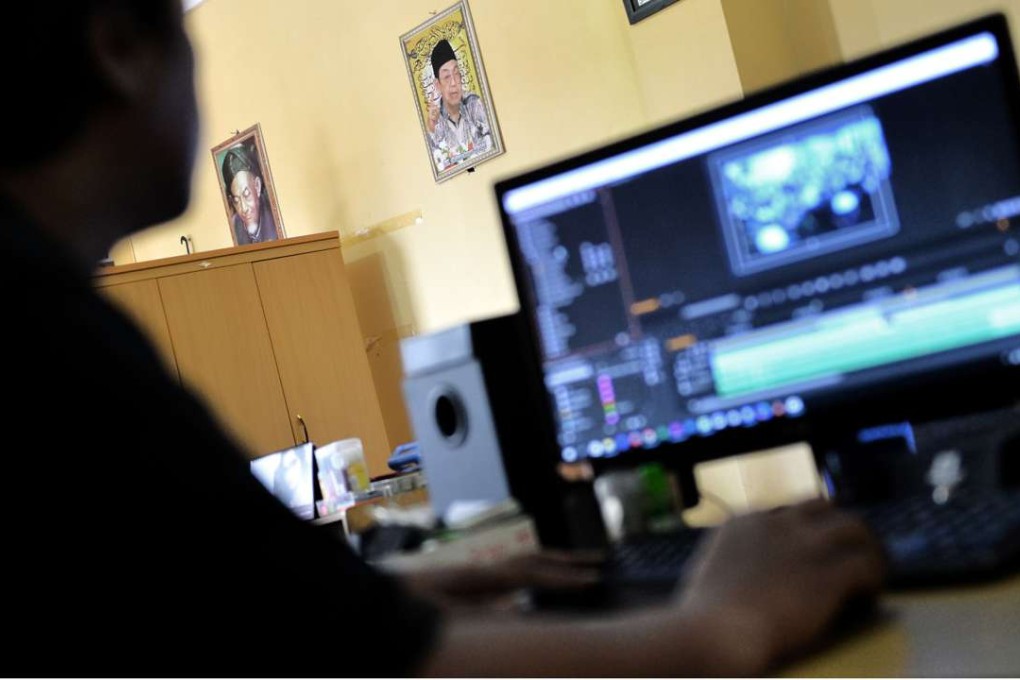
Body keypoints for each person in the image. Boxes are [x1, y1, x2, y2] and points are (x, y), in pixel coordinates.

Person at [0, 2, 885, 676]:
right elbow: (396, 668)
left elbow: (204, 613)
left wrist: (384, 595)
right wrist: (724, 625)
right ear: (120, 49)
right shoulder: (47, 335)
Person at [425, 39, 493, 166]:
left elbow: (492, 144)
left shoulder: (473, 104)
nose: (453, 83)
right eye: (447, 77)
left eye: (456, 74)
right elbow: (439, 164)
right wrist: (432, 127)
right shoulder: (435, 121)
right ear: (438, 85)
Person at [221, 143, 279, 245]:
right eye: (236, 201)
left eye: (246, 195)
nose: (244, 209)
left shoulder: (275, 214)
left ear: (257, 186)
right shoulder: (235, 225)